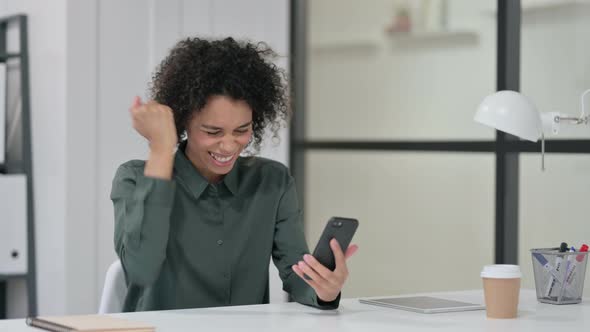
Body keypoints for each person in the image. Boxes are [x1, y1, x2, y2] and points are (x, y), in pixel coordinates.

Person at [110, 37, 358, 312]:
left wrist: (324, 289)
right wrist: (160, 148)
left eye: (241, 130)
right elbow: (141, 268)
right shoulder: (134, 178)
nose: (229, 145)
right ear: (184, 122)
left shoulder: (272, 182)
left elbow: (296, 273)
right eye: (212, 132)